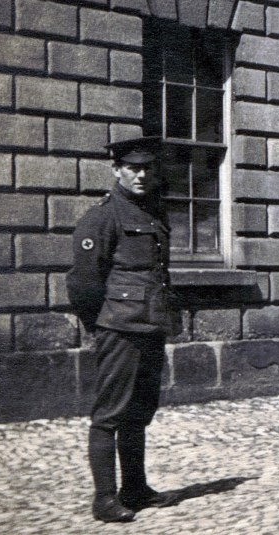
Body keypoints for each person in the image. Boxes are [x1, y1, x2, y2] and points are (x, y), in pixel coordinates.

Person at [66, 137, 180, 522]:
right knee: (109, 414)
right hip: (119, 328)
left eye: (148, 167)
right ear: (117, 170)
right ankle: (104, 498)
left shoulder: (153, 212)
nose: (142, 174)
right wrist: (100, 325)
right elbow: (82, 281)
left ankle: (136, 488)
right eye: (133, 167)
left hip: (150, 326)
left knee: (139, 412)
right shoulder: (102, 216)